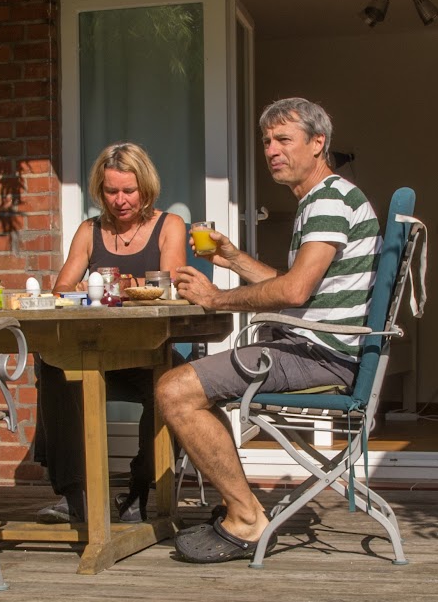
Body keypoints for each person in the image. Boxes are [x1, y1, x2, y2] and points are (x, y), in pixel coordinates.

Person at [158, 97, 379, 563]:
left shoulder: (328, 200)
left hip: (320, 354)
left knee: (175, 390)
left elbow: (294, 291)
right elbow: (301, 286)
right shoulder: (327, 197)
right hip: (319, 346)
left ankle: (246, 519)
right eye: (266, 142)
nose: (272, 150)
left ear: (318, 143)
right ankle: (240, 506)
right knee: (193, 389)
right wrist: (233, 258)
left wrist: (216, 298)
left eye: (283, 139)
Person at [34, 142, 187, 522]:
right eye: (111, 191)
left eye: (128, 191)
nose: (120, 200)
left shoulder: (168, 226)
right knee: (51, 365)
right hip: (98, 350)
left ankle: (138, 489)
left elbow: (169, 285)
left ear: (146, 188)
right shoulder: (90, 231)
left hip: (150, 350)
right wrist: (81, 289)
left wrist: (118, 284)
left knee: (174, 385)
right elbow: (60, 289)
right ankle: (76, 493)